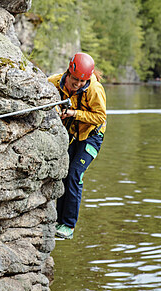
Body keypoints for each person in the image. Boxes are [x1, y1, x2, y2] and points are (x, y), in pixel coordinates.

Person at [47, 52, 107, 239]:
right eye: (75, 79)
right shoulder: (56, 82)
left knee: (75, 174)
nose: (78, 84)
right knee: (65, 173)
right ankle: (59, 220)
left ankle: (69, 225)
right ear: (69, 72)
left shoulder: (94, 90)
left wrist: (74, 114)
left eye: (82, 81)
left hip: (91, 136)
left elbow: (100, 117)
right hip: (73, 134)